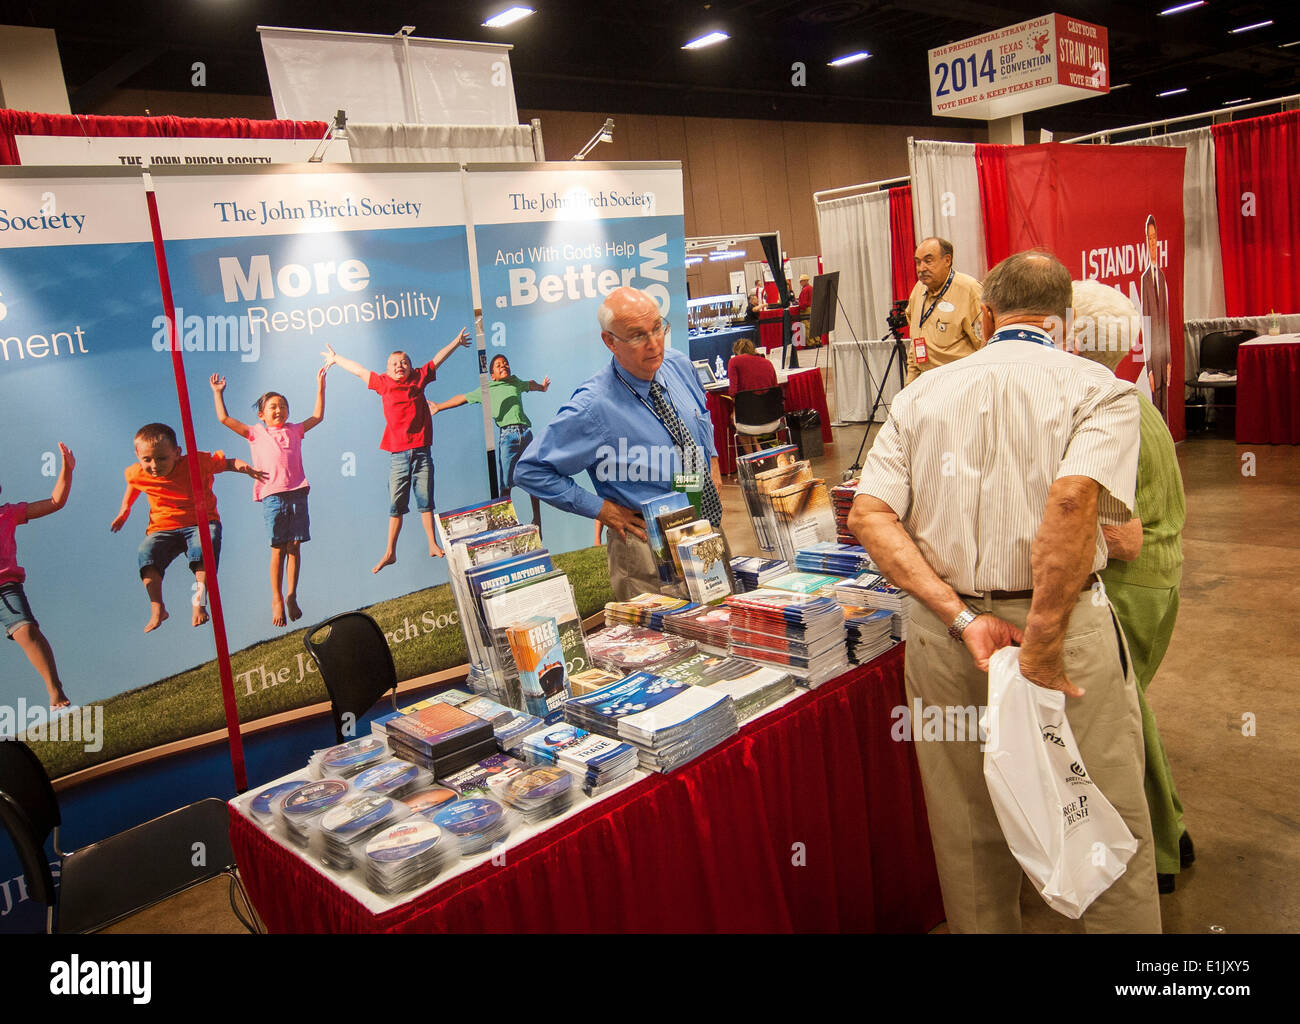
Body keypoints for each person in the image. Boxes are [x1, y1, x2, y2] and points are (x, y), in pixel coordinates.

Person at [848, 250, 1160, 933]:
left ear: (985, 316)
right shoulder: (1099, 389)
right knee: (1102, 808)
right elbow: (1074, 506)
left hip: (949, 637)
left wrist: (961, 618)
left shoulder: (918, 394)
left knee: (966, 826)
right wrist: (1044, 642)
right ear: (1065, 321)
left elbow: (869, 515)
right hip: (1066, 628)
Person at [1068, 278, 1192, 894]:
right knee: (1134, 706)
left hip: (1131, 580)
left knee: (1120, 722)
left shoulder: (1101, 409)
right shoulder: (1130, 396)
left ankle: (1158, 855)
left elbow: (1122, 536)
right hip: (1158, 576)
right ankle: (1175, 828)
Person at [514, 286, 723, 601]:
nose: (654, 344)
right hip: (646, 550)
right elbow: (530, 470)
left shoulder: (677, 364)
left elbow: (700, 415)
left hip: (703, 528)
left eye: (657, 328)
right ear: (610, 341)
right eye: (638, 336)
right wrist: (602, 510)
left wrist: (713, 462)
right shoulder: (593, 406)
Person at [322, 328, 471, 573]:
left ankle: (432, 542)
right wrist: (336, 359)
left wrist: (455, 341)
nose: (399, 366)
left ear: (411, 367)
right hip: (398, 455)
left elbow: (438, 358)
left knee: (426, 500)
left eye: (404, 362)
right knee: (396, 505)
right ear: (387, 368)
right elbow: (359, 370)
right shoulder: (383, 383)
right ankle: (390, 551)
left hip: (421, 451)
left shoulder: (419, 378)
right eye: (394, 363)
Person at [111, 423, 263, 632]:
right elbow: (134, 482)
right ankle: (158, 607)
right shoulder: (137, 472)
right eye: (147, 460)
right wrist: (125, 509)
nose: (154, 465)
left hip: (200, 521)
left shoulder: (196, 462)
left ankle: (198, 601)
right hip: (163, 526)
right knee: (146, 554)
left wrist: (245, 468)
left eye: (161, 458)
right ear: (138, 456)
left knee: (203, 551)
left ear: (177, 453)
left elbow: (228, 463)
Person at [210, 368, 327, 627]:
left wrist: (320, 386)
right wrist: (218, 394)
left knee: (294, 547)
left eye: (283, 406)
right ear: (261, 415)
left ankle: (291, 595)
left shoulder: (295, 430)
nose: (279, 410)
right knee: (278, 549)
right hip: (272, 496)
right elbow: (224, 419)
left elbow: (317, 416)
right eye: (273, 407)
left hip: (297, 492)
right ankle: (276, 598)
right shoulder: (256, 433)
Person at [430, 353, 550, 530]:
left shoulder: (515, 382)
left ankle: (537, 519)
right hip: (507, 437)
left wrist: (542, 387)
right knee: (505, 483)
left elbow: (530, 385)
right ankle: (507, 524)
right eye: (499, 365)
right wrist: (439, 406)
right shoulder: (487, 389)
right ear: (492, 374)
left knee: (532, 476)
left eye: (506, 363)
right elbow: (463, 398)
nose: (503, 366)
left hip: (525, 433)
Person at [1, 442, 74, 707]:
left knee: (28, 632)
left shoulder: (7, 514)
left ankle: (55, 690)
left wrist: (67, 469)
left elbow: (55, 502)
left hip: (5, 588)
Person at [904, 236, 984, 386]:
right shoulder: (918, 289)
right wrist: (910, 386)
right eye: (918, 262)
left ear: (947, 260)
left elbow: (986, 345)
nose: (921, 268)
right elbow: (915, 343)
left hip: (960, 385)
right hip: (925, 384)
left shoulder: (970, 290)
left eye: (928, 261)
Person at [1140, 215, 1173, 421]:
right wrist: (1149, 368)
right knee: (1156, 399)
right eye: (1149, 239)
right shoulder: (1145, 280)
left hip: (1164, 355)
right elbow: (1146, 322)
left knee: (1165, 402)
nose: (1153, 243)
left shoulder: (1161, 276)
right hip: (1153, 355)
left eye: (1155, 238)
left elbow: (1166, 321)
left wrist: (1169, 359)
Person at [727, 336, 780, 455]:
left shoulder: (734, 362)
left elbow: (733, 392)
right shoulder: (767, 362)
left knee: (739, 418)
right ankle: (758, 449)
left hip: (749, 423)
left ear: (737, 352)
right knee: (748, 413)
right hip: (773, 421)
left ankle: (751, 457)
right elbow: (775, 390)